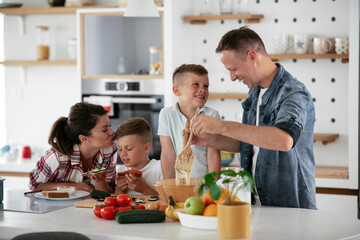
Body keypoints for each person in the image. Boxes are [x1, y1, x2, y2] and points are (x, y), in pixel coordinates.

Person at [190, 26, 317, 209]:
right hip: (256, 203)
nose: (232, 78)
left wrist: (222, 126)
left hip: (290, 206)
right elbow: (251, 144)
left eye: (234, 69)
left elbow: (283, 140)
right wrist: (210, 140)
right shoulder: (255, 93)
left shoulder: (293, 92)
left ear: (252, 56)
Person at [29, 102, 117, 193]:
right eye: (104, 130)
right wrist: (73, 186)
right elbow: (34, 185)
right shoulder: (57, 157)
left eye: (109, 126)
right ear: (84, 138)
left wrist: (100, 181)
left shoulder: (109, 150)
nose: (112, 132)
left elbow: (109, 193)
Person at [158, 64, 221, 179]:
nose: (202, 89)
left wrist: (213, 187)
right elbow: (167, 155)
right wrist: (169, 186)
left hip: (203, 186)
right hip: (177, 185)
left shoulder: (212, 115)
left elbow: (213, 155)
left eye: (206, 86)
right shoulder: (166, 114)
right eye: (195, 84)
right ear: (177, 91)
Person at [114, 117, 163, 195]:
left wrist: (145, 189)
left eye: (129, 148)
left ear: (146, 147)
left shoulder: (160, 169)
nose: (123, 153)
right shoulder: (121, 170)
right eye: (120, 149)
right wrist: (120, 189)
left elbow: (167, 202)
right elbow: (116, 199)